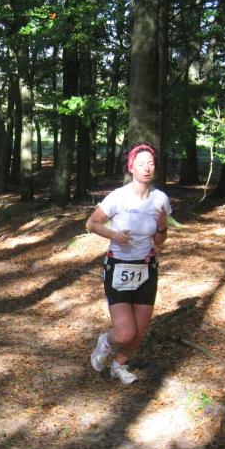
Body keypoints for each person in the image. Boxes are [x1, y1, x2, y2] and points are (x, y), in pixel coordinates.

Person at [85, 143, 171, 384]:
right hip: (118, 266)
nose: (147, 168)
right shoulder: (119, 196)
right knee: (125, 332)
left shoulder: (160, 199)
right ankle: (105, 343)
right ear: (132, 167)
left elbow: (159, 241)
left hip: (146, 268)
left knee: (139, 332)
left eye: (151, 164)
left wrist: (162, 226)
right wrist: (114, 235)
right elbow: (91, 223)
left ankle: (118, 365)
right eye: (141, 164)